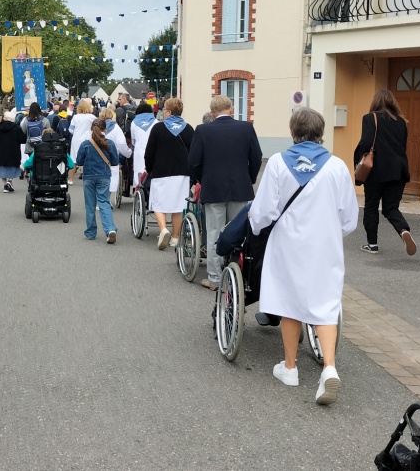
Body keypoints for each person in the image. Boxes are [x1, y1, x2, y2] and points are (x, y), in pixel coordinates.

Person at [249, 108, 357, 405]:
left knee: (290, 303)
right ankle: (329, 367)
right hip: (324, 246)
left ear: (292, 132)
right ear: (321, 133)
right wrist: (333, 233)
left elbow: (263, 211)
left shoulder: (277, 163)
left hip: (288, 245)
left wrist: (255, 227)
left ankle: (290, 368)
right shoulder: (337, 166)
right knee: (326, 305)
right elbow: (349, 218)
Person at [188, 95, 262, 291]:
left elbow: (193, 162)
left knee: (214, 232)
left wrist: (202, 179)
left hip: (213, 188)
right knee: (238, 232)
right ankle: (237, 274)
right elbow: (256, 157)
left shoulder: (203, 130)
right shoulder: (246, 128)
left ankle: (214, 278)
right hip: (240, 188)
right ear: (231, 109)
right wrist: (249, 178)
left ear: (212, 113)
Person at [354, 90, 416, 256]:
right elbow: (402, 145)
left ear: (375, 102)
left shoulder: (370, 118)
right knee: (391, 208)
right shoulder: (401, 122)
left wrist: (358, 159)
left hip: (377, 170)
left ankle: (372, 245)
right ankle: (403, 230)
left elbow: (366, 143)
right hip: (398, 170)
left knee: (371, 206)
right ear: (393, 102)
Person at [144, 98, 194, 251]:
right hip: (182, 173)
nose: (163, 112)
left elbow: (149, 152)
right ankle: (175, 237)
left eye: (165, 109)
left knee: (158, 204)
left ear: (169, 112)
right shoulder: (189, 129)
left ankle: (163, 229)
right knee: (178, 206)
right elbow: (193, 153)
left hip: (161, 171)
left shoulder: (158, 128)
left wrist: (149, 169)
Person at [76, 119, 120, 243]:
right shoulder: (110, 143)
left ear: (91, 129)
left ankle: (91, 232)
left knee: (90, 205)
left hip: (89, 176)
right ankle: (110, 229)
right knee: (104, 202)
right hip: (104, 176)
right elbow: (115, 161)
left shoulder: (85, 144)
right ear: (105, 129)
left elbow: (79, 161)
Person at [99, 107, 133, 204]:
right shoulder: (116, 128)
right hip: (112, 158)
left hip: (98, 156)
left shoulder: (96, 127)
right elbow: (121, 144)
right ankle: (106, 198)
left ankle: (99, 198)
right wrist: (129, 153)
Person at [0, 109, 26, 192]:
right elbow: (23, 139)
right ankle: (9, 181)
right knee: (12, 167)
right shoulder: (16, 128)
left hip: (0, 152)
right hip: (13, 152)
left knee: (2, 168)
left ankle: (5, 185)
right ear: (12, 119)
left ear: (4, 118)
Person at [67, 99, 96, 185]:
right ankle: (89, 179)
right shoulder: (92, 117)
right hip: (88, 139)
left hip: (76, 139)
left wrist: (76, 132)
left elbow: (70, 130)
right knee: (89, 159)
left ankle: (71, 179)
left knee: (74, 160)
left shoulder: (75, 117)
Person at [130, 102, 158, 187]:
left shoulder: (134, 123)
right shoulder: (156, 122)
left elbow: (133, 141)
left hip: (139, 153)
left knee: (139, 177)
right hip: (153, 154)